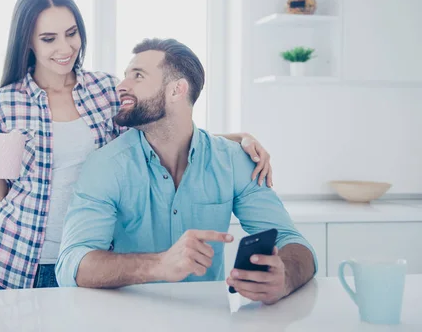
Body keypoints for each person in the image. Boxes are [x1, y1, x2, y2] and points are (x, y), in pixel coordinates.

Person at [0, 0, 274, 290]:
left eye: (71, 34)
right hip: (12, 263)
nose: (65, 48)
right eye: (49, 39)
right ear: (29, 42)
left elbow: (160, 136)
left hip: (89, 263)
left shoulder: (106, 91)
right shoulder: (6, 102)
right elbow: (0, 195)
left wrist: (238, 139)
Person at [56, 38, 317, 305]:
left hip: (208, 318)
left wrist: (284, 277)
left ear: (177, 90)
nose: (121, 86)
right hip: (129, 317)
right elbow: (71, 262)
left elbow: (293, 242)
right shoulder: (106, 165)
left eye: (138, 76)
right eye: (125, 76)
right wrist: (158, 265)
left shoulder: (234, 161)